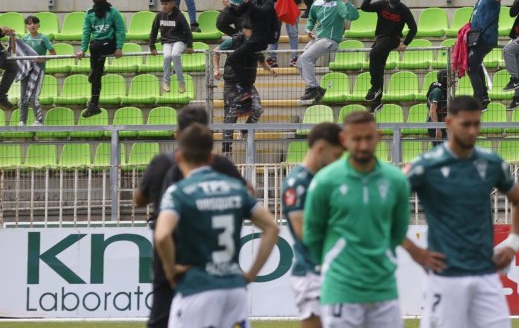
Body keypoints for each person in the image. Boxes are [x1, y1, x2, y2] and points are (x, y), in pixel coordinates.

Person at [406, 95, 519, 328]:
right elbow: (389, 205)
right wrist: (414, 251)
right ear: (449, 122)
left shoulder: (491, 162)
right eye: (466, 124)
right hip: (445, 277)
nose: (472, 131)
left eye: (476, 124)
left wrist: (513, 244)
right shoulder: (426, 165)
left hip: (485, 273)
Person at [154, 124, 279, 328]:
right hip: (234, 291)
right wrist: (250, 274)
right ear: (211, 157)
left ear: (179, 158)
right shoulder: (235, 188)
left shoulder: (179, 192)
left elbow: (161, 236)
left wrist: (170, 269)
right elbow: (272, 227)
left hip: (196, 289)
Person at [304, 111, 420, 328]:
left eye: (368, 138)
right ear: (343, 140)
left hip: (384, 289)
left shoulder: (396, 181)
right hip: (340, 290)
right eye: (356, 139)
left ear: (378, 136)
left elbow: (397, 231)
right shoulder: (325, 181)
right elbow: (313, 234)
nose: (363, 145)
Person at [134, 107, 246, 328]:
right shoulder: (221, 165)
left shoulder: (161, 162)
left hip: (169, 243)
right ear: (207, 132)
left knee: (162, 303)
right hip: (209, 244)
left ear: (178, 132)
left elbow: (139, 200)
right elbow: (245, 194)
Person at [281, 122, 344, 328]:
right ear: (320, 149)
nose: (337, 162)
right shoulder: (297, 184)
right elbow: (304, 233)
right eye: (336, 155)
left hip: (334, 270)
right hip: (311, 272)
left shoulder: (326, 180)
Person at [299, 0, 360, 104]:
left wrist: (345, 0)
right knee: (299, 63)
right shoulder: (316, 3)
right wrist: (308, 30)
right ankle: (317, 89)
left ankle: (312, 88)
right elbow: (311, 19)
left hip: (330, 40)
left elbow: (353, 16)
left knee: (305, 58)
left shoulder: (339, 3)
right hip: (317, 39)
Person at [360, 0, 418, 111]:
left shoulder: (403, 9)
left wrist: (405, 43)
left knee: (374, 54)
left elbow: (413, 28)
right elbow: (364, 7)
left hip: (393, 38)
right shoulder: (382, 4)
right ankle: (377, 101)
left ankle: (375, 87)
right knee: (379, 67)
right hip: (380, 38)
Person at [225, 0, 277, 103]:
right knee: (241, 59)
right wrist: (230, 6)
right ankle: (247, 88)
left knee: (233, 58)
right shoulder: (251, 0)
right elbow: (238, 12)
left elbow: (264, 12)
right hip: (253, 38)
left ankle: (246, 88)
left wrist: (248, 2)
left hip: (261, 38)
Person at [75, 0, 125, 118]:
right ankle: (94, 105)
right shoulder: (89, 13)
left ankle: (93, 72)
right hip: (96, 47)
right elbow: (86, 32)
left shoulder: (113, 12)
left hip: (110, 44)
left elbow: (120, 29)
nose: (101, 0)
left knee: (95, 48)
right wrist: (83, 49)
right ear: (93, 0)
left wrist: (119, 47)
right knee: (97, 75)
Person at [214, 21, 272, 127]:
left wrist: (270, 70)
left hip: (247, 82)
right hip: (232, 83)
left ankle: (245, 132)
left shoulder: (256, 43)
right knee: (230, 117)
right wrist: (216, 69)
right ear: (245, 31)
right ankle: (227, 144)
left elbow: (261, 60)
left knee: (257, 109)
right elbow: (216, 51)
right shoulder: (233, 40)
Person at [468, 0, 506, 107]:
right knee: (475, 66)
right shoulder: (478, 2)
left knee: (471, 67)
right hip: (476, 40)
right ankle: (483, 96)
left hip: (485, 39)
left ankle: (479, 98)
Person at [148, 0, 194, 95]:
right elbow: (154, 31)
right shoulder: (159, 16)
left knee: (175, 55)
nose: (164, 6)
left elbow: (187, 31)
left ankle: (181, 83)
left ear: (173, 4)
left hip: (179, 41)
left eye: (166, 4)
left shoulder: (179, 16)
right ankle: (166, 82)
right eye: (162, 4)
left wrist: (190, 45)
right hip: (166, 42)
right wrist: (152, 46)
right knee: (167, 56)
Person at [16, 15, 52, 126]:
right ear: (26, 26)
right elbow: (17, 50)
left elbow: (53, 53)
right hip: (26, 70)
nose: (32, 25)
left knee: (33, 96)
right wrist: (12, 37)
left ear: (38, 25)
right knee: (23, 97)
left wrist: (42, 59)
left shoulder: (44, 38)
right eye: (29, 23)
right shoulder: (24, 39)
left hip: (38, 70)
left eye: (34, 23)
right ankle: (22, 121)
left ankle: (39, 120)